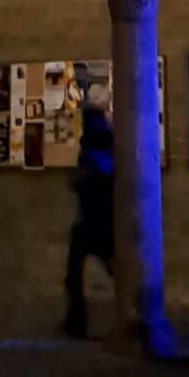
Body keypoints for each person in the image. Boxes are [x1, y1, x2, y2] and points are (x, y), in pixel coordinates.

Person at [63, 97, 115, 339]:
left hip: (92, 220)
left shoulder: (94, 147)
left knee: (75, 274)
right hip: (101, 220)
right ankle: (75, 320)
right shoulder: (108, 143)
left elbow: (83, 179)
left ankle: (77, 321)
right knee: (106, 269)